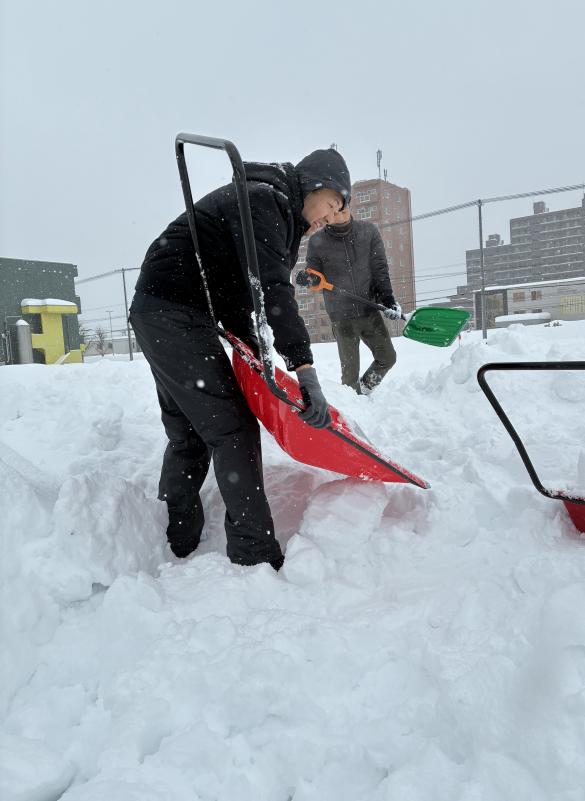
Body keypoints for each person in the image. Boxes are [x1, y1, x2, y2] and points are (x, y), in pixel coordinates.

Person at [129, 148, 351, 570]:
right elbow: (271, 288)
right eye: (334, 205)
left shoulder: (266, 203)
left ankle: (178, 537)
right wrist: (305, 369)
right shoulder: (265, 201)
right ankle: (254, 552)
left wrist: (254, 349)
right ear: (317, 183)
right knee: (231, 429)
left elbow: (236, 289)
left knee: (191, 430)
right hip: (175, 311)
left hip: (161, 309)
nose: (330, 217)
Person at [305, 205, 401, 394]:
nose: (340, 215)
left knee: (387, 357)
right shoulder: (317, 241)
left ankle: (363, 392)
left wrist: (387, 298)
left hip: (369, 310)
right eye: (333, 211)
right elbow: (313, 274)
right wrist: (309, 278)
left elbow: (380, 269)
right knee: (349, 377)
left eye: (343, 209)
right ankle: (353, 403)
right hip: (342, 317)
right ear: (326, 215)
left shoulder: (369, 231)